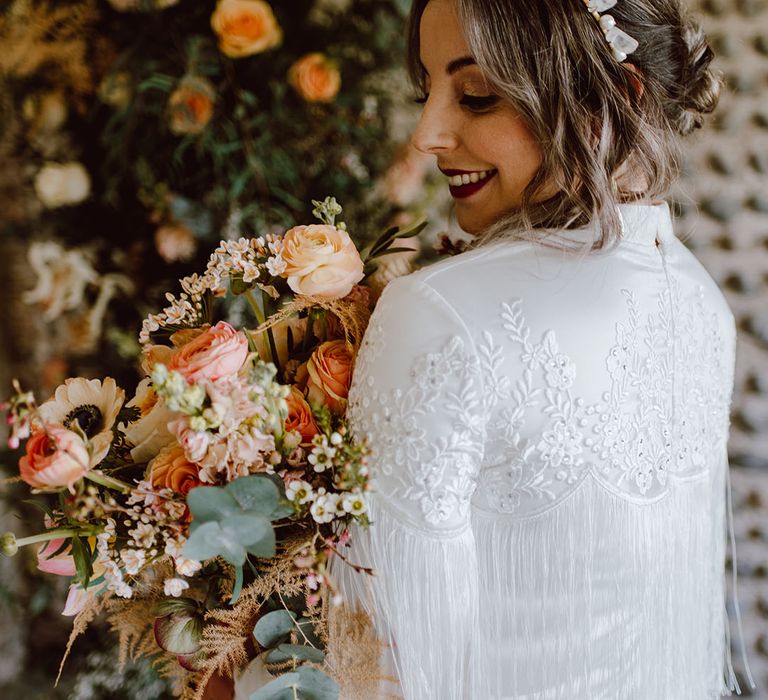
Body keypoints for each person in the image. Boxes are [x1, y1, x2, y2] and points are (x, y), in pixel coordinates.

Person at [330, 0, 755, 698]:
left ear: (611, 99)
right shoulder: (700, 299)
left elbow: (370, 659)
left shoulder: (441, 314)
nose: (427, 134)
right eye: (427, 90)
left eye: (476, 96)